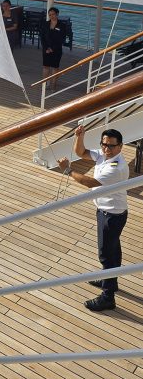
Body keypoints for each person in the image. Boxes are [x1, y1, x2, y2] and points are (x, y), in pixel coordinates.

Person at [58, 126, 128, 312]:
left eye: (111, 146)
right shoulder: (103, 156)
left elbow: (89, 182)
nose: (107, 149)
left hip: (111, 216)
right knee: (113, 251)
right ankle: (110, 280)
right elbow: (80, 152)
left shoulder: (117, 167)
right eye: (104, 144)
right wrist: (79, 136)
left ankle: (108, 297)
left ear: (120, 147)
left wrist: (68, 171)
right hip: (110, 212)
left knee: (106, 255)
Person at [40, 6, 66, 88]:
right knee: (45, 66)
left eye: (53, 14)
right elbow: (42, 37)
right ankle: (44, 84)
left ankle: (53, 85)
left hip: (57, 50)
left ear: (57, 14)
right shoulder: (45, 24)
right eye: (50, 14)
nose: (51, 16)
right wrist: (46, 48)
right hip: (46, 49)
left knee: (55, 67)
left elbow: (62, 39)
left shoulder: (62, 25)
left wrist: (52, 48)